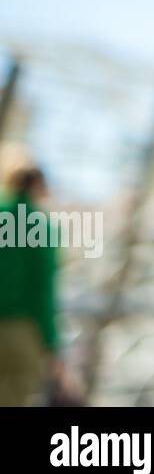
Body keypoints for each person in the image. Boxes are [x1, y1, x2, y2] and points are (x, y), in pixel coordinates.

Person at [0, 158, 66, 405]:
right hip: (23, 332)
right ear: (38, 186)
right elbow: (45, 289)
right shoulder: (41, 225)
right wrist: (51, 341)